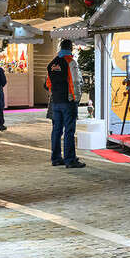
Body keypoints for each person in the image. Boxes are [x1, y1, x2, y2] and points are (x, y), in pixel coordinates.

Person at [46, 39, 86, 169]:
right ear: (71, 48)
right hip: (68, 102)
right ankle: (70, 160)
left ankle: (56, 158)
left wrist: (55, 94)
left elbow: (48, 83)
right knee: (69, 130)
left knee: (56, 130)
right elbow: (75, 83)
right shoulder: (70, 62)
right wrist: (76, 99)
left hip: (55, 101)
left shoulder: (52, 64)